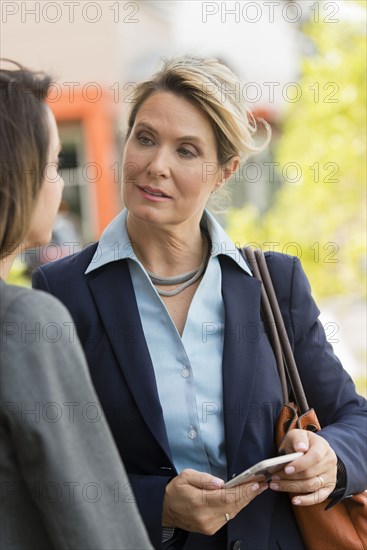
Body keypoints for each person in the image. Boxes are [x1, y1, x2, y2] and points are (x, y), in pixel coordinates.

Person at [32, 56, 367, 550]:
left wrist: (329, 458)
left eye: (186, 151)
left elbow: (353, 418)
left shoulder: (274, 283)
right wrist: (157, 505)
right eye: (145, 138)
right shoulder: (62, 293)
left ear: (224, 171)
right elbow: (46, 470)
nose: (156, 165)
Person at [0, 61, 153, 550]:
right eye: (50, 165)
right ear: (14, 181)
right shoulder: (25, 322)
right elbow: (100, 530)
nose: (60, 183)